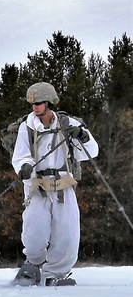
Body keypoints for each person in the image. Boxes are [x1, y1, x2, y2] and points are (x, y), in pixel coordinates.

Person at [11, 82, 98, 286]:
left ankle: (56, 273)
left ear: (49, 103)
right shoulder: (27, 127)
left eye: (39, 103)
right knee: (34, 228)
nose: (35, 107)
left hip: (63, 183)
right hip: (37, 183)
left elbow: (91, 152)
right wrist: (24, 167)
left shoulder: (69, 123)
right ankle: (32, 264)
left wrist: (83, 137)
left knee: (66, 231)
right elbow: (21, 155)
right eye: (32, 104)